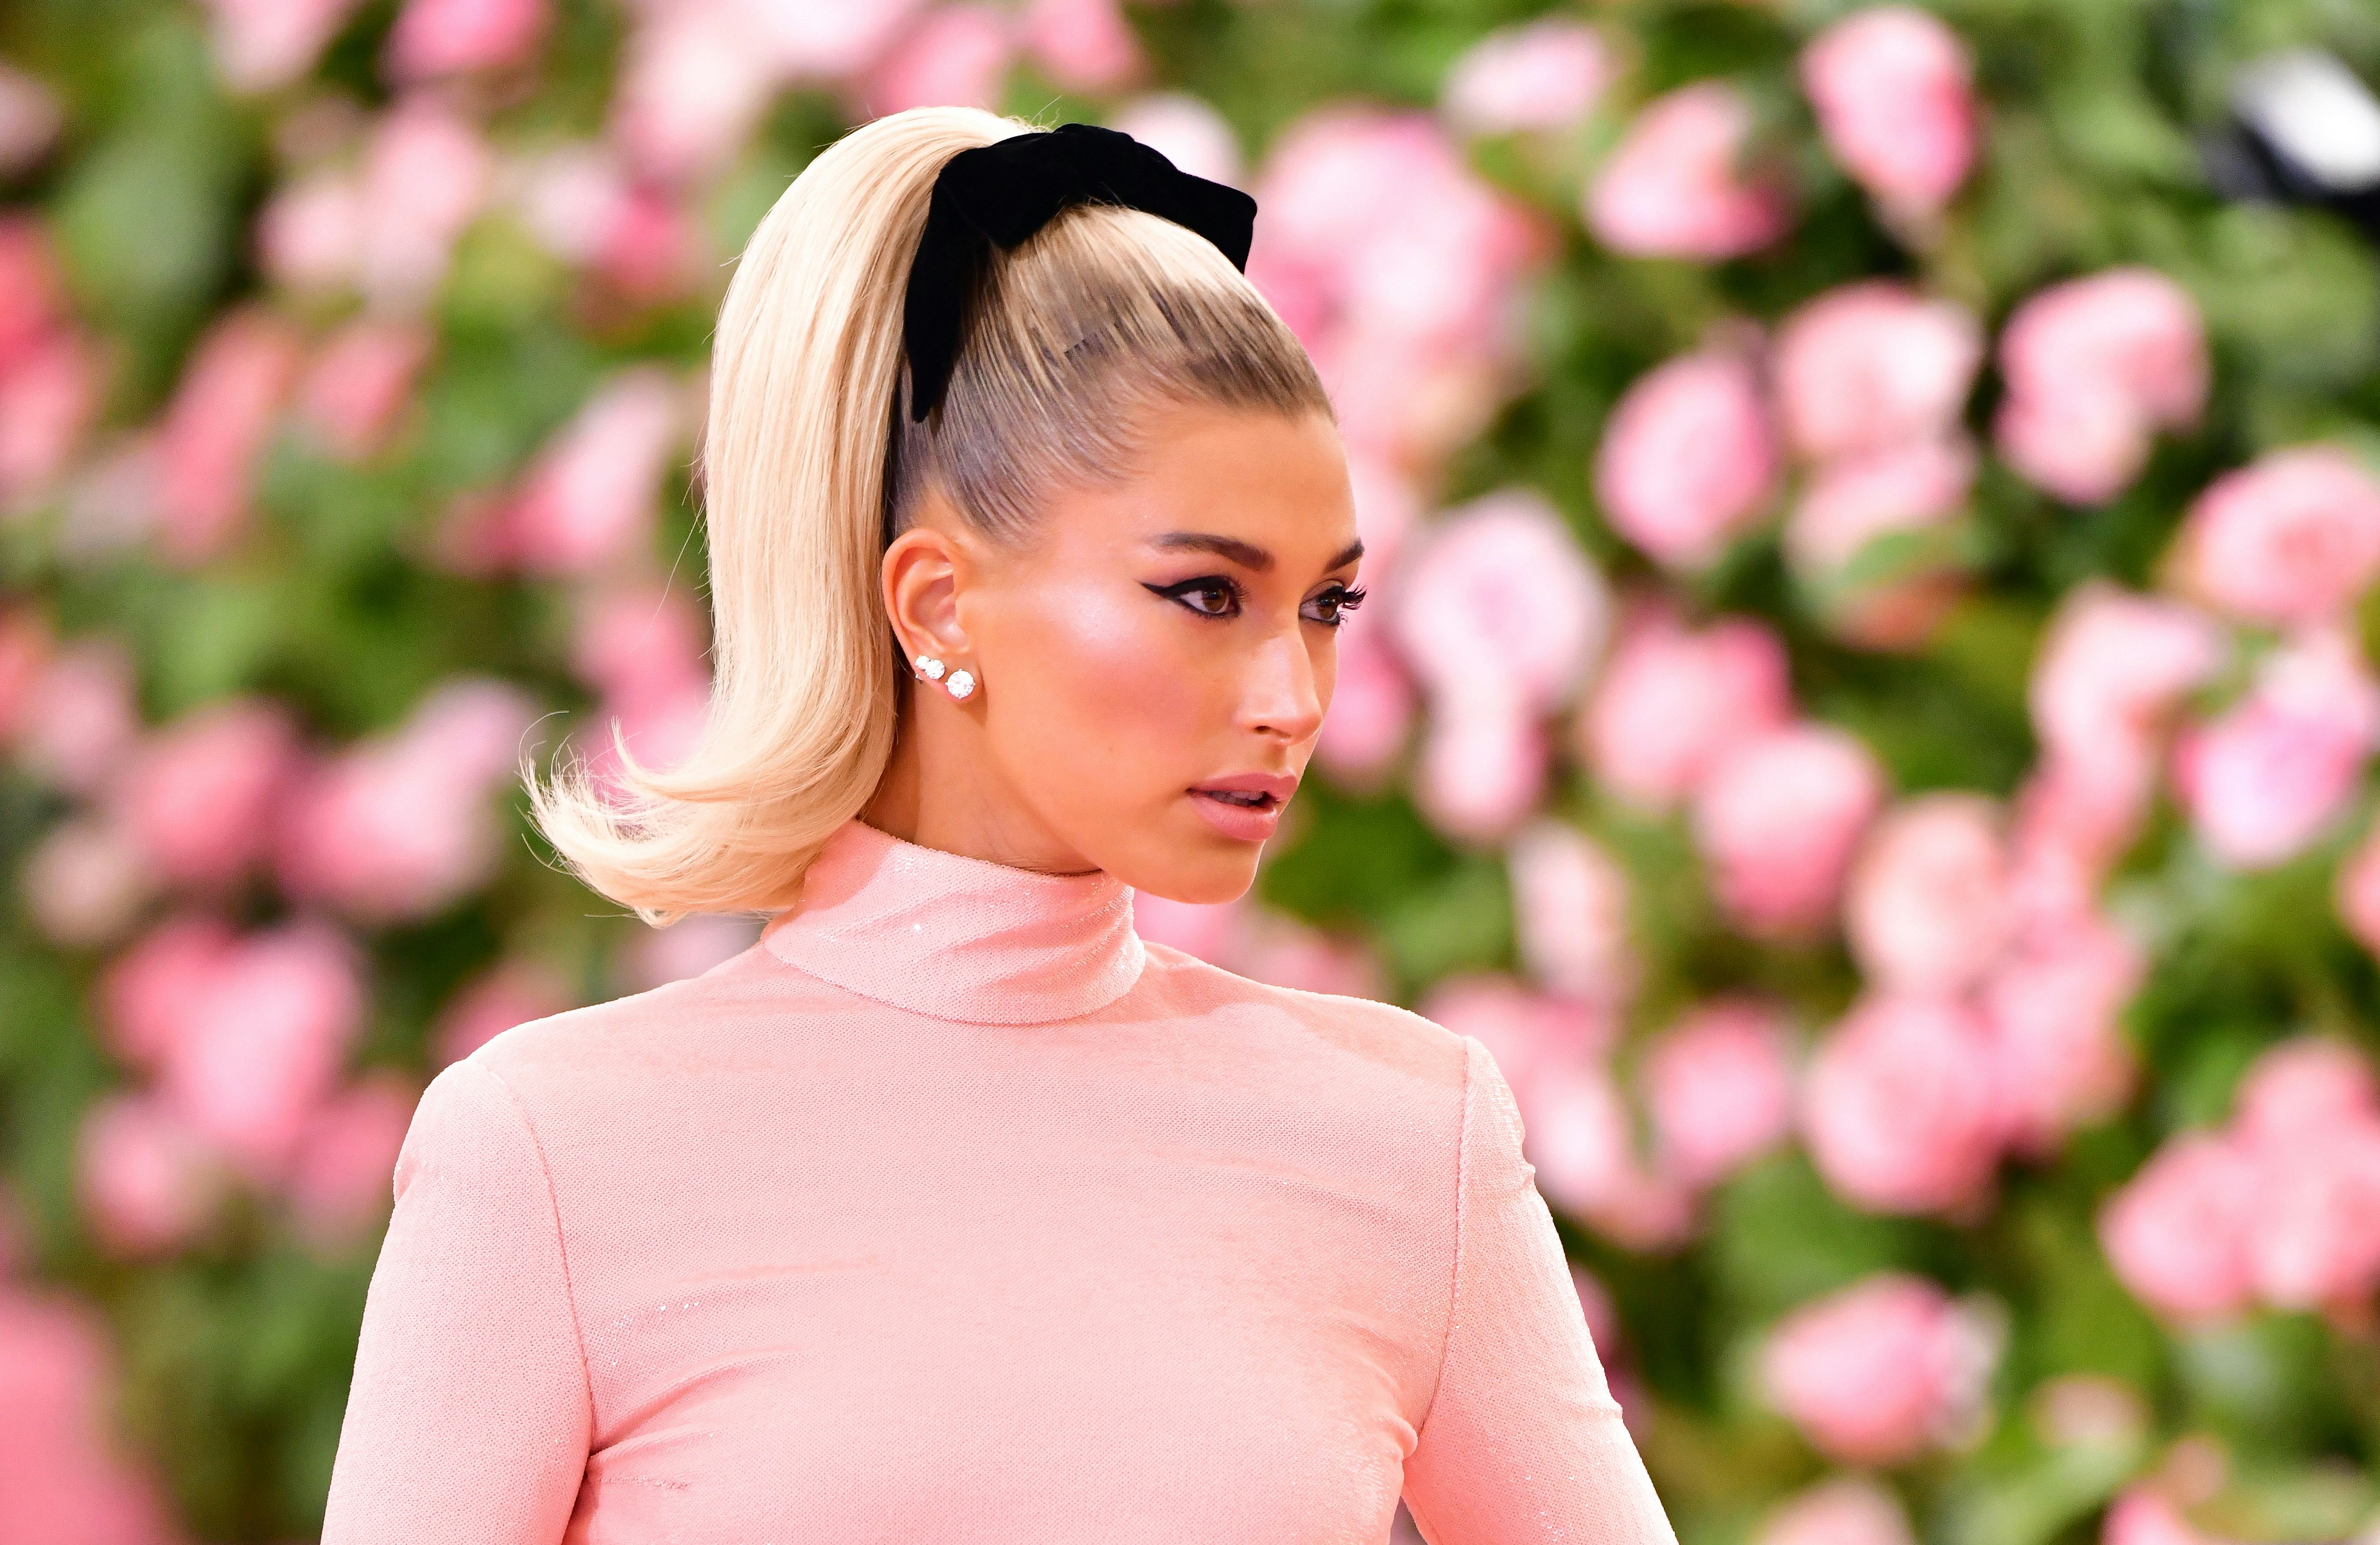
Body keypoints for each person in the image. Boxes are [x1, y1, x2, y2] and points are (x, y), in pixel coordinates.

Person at [319, 106, 1678, 1545]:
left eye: (1324, 605)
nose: (1292, 696)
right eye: (1206, 595)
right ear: (937, 603)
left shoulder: (1411, 1138)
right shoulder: (545, 1155)